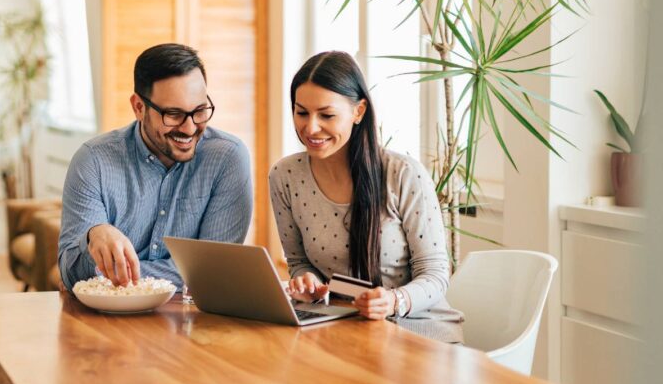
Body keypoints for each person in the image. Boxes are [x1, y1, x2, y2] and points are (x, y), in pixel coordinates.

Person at [269, 50, 464, 343]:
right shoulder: (285, 176)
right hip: (343, 330)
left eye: (326, 115)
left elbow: (436, 274)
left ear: (358, 111)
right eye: (302, 112)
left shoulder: (403, 174)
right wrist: (307, 280)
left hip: (419, 331)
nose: (310, 128)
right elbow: (298, 261)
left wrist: (394, 300)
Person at [58, 43, 252, 289]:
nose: (190, 128)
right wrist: (93, 234)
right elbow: (70, 272)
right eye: (173, 114)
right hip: (106, 319)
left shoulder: (227, 159)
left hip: (194, 322)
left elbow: (215, 271)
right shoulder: (93, 161)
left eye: (200, 111)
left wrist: (114, 276)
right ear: (139, 107)